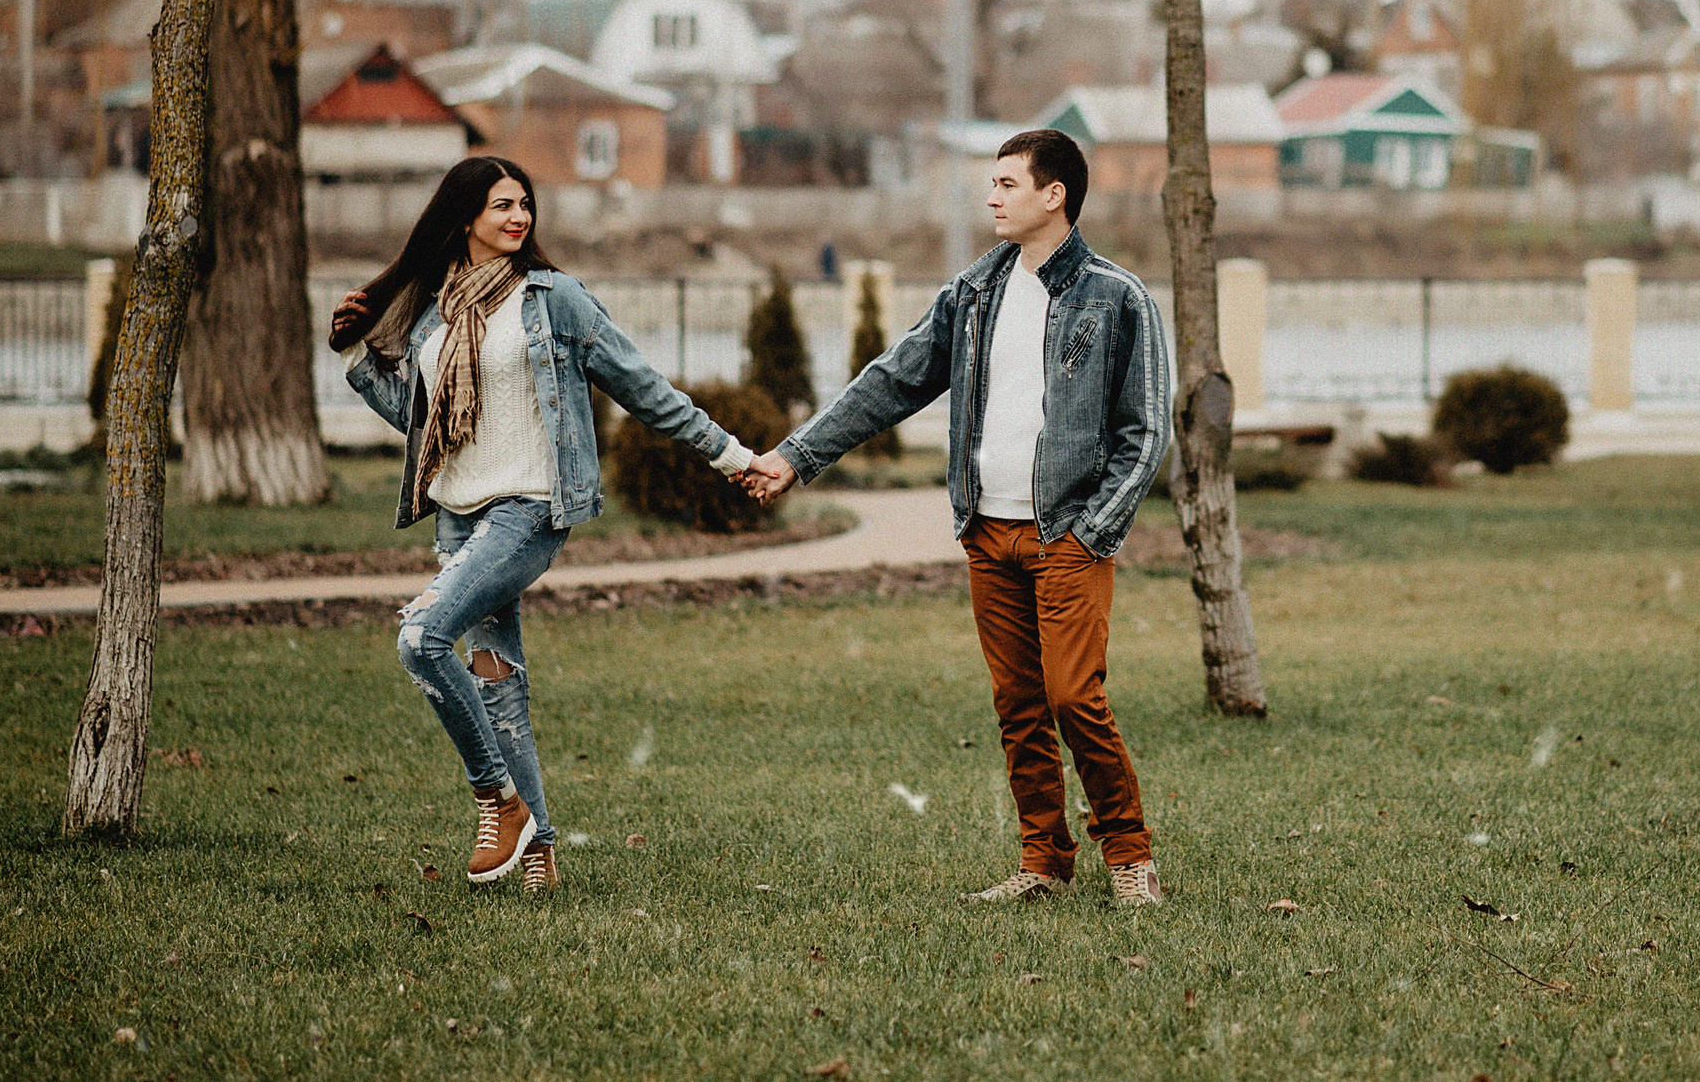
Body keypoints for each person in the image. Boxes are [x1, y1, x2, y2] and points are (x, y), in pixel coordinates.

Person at [747, 129, 1171, 908]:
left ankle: (1131, 853)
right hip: (989, 533)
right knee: (1017, 705)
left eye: (1009, 183)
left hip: (1067, 537)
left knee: (1075, 697)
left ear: (1056, 195)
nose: (992, 196)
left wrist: (1092, 531)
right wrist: (796, 455)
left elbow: (1146, 432)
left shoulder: (1117, 296)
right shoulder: (973, 293)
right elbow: (891, 381)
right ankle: (1043, 861)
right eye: (993, 182)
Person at [330, 156, 765, 894]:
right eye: (502, 204)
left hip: (529, 507)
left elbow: (642, 386)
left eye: (525, 203)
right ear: (464, 215)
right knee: (497, 686)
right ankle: (540, 854)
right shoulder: (441, 308)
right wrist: (354, 351)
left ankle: (497, 800)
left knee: (419, 636)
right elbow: (422, 421)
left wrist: (729, 453)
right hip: (461, 514)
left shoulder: (554, 298)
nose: (518, 216)